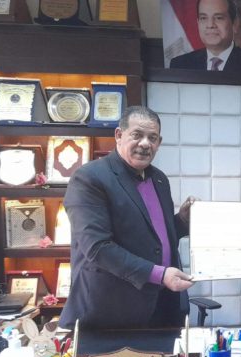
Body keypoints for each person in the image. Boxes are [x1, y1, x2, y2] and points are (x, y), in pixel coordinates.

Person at [59, 106, 195, 330]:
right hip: (111, 309)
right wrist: (160, 275)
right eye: (137, 135)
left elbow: (154, 236)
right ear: (119, 135)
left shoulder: (159, 179)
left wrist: (182, 220)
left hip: (162, 306)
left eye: (152, 138)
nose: (145, 143)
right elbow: (97, 248)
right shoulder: (90, 178)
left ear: (159, 142)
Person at [168, 0, 241, 72]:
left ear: (235, 24)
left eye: (218, 18)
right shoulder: (179, 64)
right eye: (204, 18)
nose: (210, 25)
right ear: (198, 23)